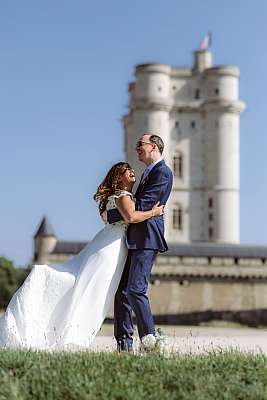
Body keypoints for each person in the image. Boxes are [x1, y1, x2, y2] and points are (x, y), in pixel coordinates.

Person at [0, 162, 163, 350]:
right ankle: (74, 334)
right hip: (112, 248)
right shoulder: (124, 195)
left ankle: (76, 332)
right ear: (119, 176)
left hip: (108, 243)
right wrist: (154, 212)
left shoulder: (118, 196)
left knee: (87, 287)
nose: (133, 171)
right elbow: (131, 218)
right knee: (94, 292)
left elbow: (107, 216)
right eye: (128, 170)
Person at [107, 134, 173, 352]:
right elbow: (135, 208)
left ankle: (149, 340)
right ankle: (124, 344)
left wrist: (110, 214)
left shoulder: (163, 172)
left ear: (153, 147)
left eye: (140, 145)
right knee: (123, 292)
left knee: (135, 289)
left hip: (147, 238)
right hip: (136, 237)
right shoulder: (148, 172)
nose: (136, 150)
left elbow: (141, 206)